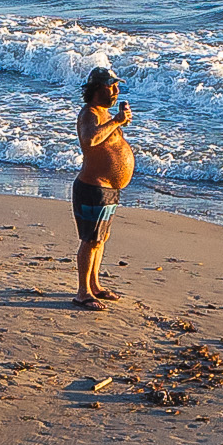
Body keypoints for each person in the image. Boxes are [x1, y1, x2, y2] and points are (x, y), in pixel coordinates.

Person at [71, 65, 133, 309]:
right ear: (97, 90)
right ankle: (82, 292)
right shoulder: (90, 113)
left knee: (101, 238)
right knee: (90, 239)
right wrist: (117, 121)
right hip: (92, 187)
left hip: (108, 189)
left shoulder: (104, 115)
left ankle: (94, 285)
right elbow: (90, 139)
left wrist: (118, 121)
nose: (116, 91)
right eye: (111, 87)